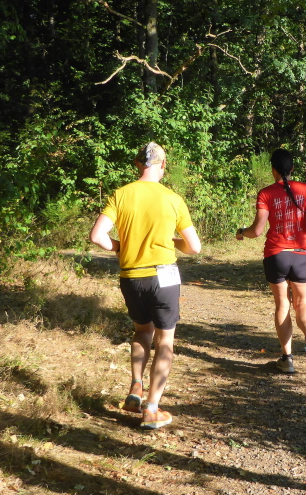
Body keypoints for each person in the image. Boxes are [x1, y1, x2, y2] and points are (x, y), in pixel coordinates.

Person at [89, 142, 201, 430]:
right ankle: (152, 409)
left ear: (138, 165)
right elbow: (194, 247)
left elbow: (97, 236)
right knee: (165, 340)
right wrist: (172, 242)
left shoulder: (121, 194)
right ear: (163, 165)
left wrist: (119, 247)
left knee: (142, 331)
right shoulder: (172, 198)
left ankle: (135, 388)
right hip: (164, 276)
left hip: (131, 276)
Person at [236, 148, 306, 373]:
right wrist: (302, 229)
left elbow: (257, 231)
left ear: (273, 170)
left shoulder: (266, 193)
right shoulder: (305, 189)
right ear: (292, 168)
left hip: (276, 254)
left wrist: (241, 232)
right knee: (302, 303)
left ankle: (287, 359)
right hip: (301, 253)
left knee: (282, 304)